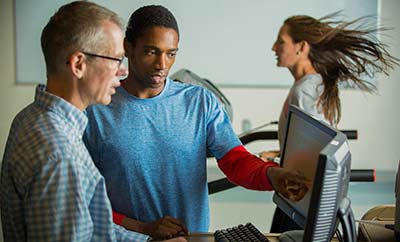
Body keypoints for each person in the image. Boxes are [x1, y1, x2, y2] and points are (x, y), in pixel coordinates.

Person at [83, 4, 309, 240]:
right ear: (128, 48)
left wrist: (273, 175)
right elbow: (83, 198)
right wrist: (143, 229)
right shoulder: (96, 110)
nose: (162, 65)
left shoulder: (199, 102)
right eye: (151, 52)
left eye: (171, 54)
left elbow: (235, 161)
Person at [0, 2, 186, 242]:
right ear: (79, 64)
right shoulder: (60, 154)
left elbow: (91, 229)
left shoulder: (31, 118)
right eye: (116, 59)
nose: (121, 71)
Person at [258, 13, 399, 232]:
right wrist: (278, 152)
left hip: (303, 196)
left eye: (281, 42)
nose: (274, 47)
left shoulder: (306, 90)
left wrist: (280, 160)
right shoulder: (310, 84)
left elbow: (316, 149)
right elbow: (308, 142)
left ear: (301, 47)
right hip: (299, 195)